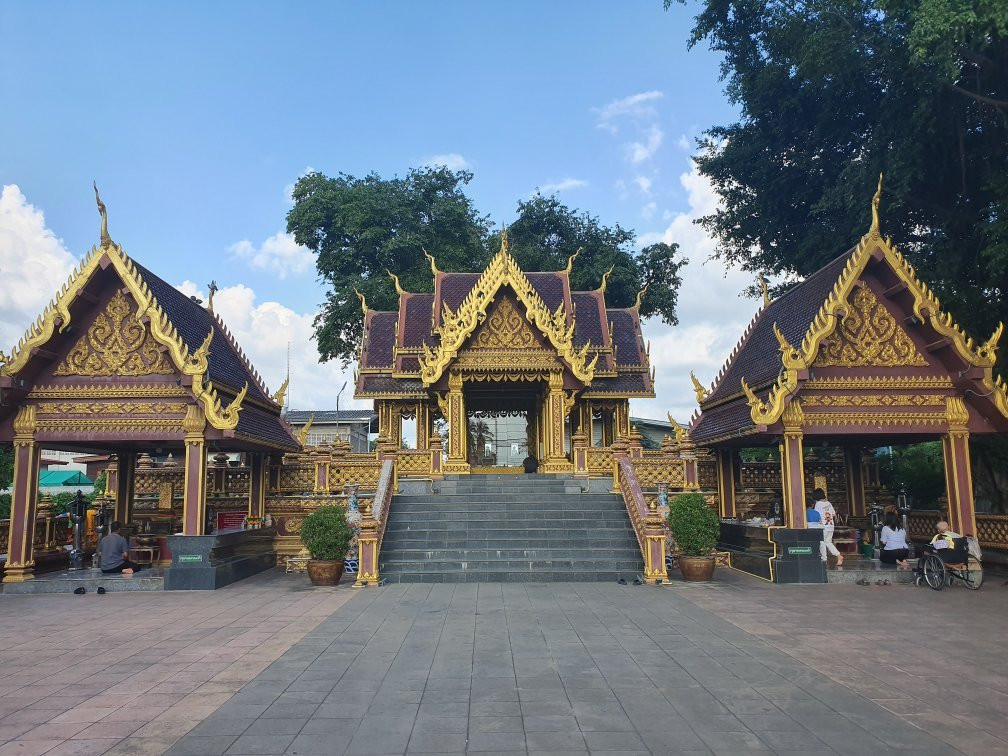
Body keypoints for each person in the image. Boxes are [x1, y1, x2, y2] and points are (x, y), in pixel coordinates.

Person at [813, 488, 843, 566]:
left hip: (823, 526)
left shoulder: (818, 504)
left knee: (822, 542)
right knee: (828, 542)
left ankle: (824, 559)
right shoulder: (828, 503)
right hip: (830, 525)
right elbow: (833, 514)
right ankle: (838, 555)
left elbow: (817, 515)